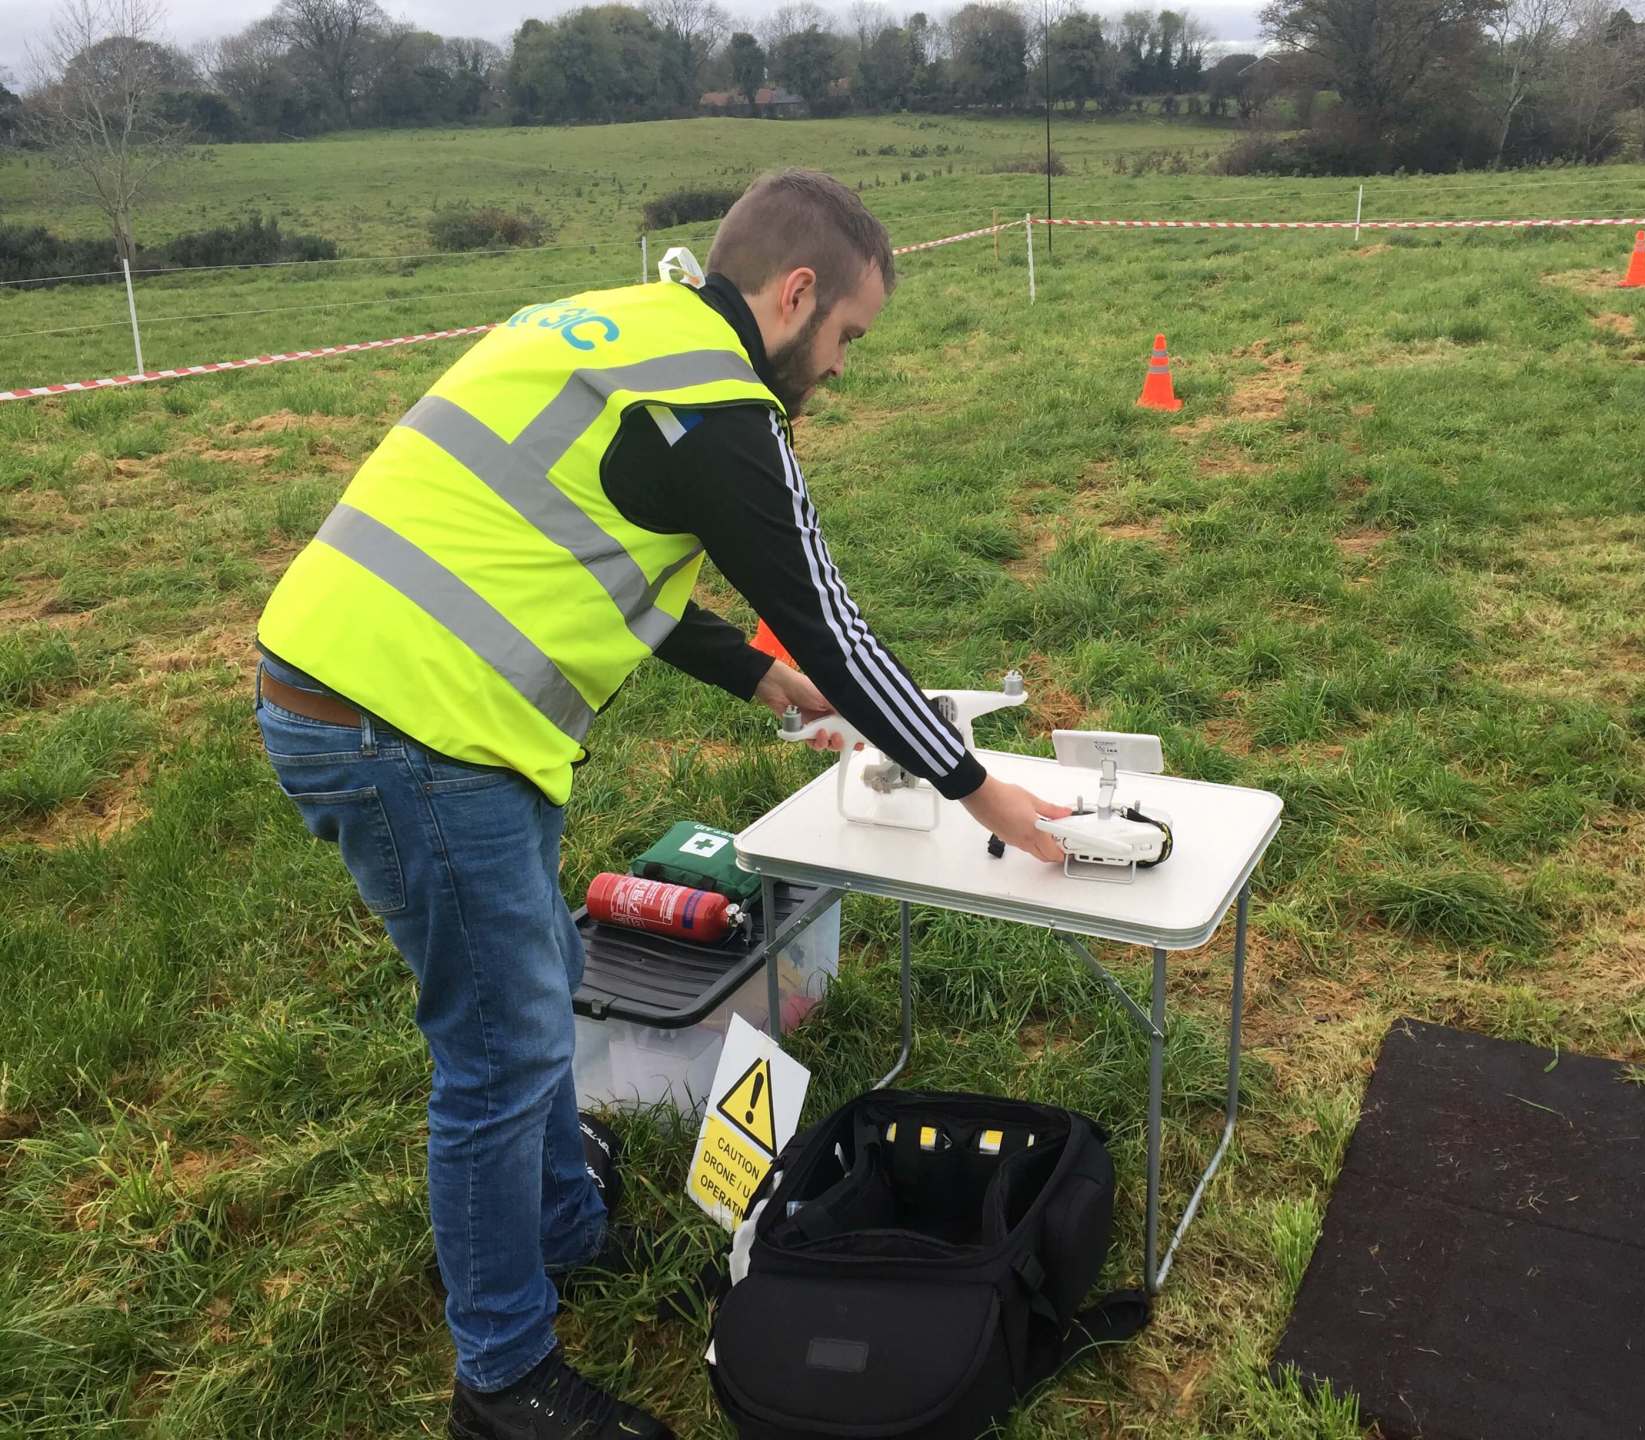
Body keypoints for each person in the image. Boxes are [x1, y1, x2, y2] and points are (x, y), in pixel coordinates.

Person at [250, 169, 1070, 1440]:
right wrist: (987, 795)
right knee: (499, 1053)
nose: (843, 368)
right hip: (408, 729)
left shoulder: (619, 330)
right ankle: (505, 1381)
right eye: (848, 335)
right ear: (796, 294)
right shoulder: (722, 409)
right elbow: (841, 628)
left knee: (522, 1002)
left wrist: (758, 677)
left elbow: (597, 552)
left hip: (393, 699)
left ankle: (565, 1221)